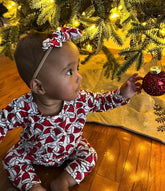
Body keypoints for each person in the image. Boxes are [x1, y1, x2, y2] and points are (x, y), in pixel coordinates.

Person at [0, 27, 143, 191]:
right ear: (39, 86)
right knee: (11, 159)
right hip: (31, 152)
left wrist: (123, 94)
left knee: (89, 155)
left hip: (70, 149)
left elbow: (103, 101)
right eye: (69, 71)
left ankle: (63, 181)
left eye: (77, 68)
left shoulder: (80, 99)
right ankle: (34, 187)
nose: (79, 77)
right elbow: (2, 123)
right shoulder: (22, 107)